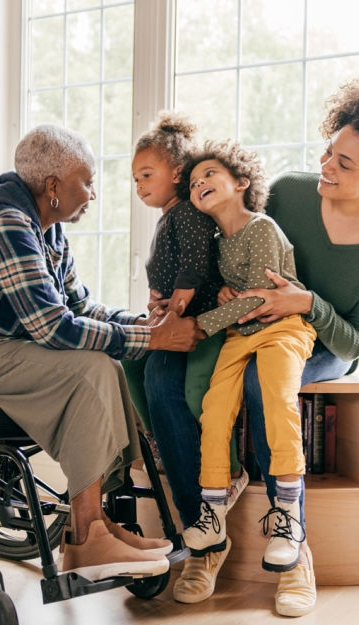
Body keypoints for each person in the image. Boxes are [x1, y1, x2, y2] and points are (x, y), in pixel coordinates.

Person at [145, 75, 359, 615]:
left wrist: (306, 303)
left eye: (345, 164)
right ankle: (207, 535)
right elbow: (232, 243)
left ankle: (294, 550)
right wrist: (216, 289)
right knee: (161, 376)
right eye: (329, 152)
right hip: (248, 323)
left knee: (264, 387)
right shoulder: (288, 190)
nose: (327, 168)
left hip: (320, 341)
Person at [0, 123, 204, 583]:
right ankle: (87, 535)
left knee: (105, 363)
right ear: (53, 187)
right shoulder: (4, 221)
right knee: (89, 367)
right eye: (86, 182)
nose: (92, 194)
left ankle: (93, 528)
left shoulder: (47, 231)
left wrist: (144, 324)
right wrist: (155, 340)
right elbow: (51, 327)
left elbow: (78, 307)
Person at [176, 140, 317, 578]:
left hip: (282, 328)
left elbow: (259, 298)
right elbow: (233, 293)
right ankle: (213, 511)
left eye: (210, 175)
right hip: (240, 334)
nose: (199, 184)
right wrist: (220, 295)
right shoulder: (217, 242)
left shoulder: (262, 228)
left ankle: (288, 517)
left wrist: (201, 324)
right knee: (214, 408)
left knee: (277, 398)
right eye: (194, 182)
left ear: (241, 182)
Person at [121, 112, 247, 490]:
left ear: (177, 173)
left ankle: (225, 468)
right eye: (135, 179)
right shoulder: (168, 218)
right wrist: (156, 301)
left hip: (200, 318)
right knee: (130, 356)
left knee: (187, 391)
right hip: (175, 315)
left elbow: (194, 267)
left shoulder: (188, 213)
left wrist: (172, 311)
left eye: (147, 175)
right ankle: (157, 442)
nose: (139, 185)